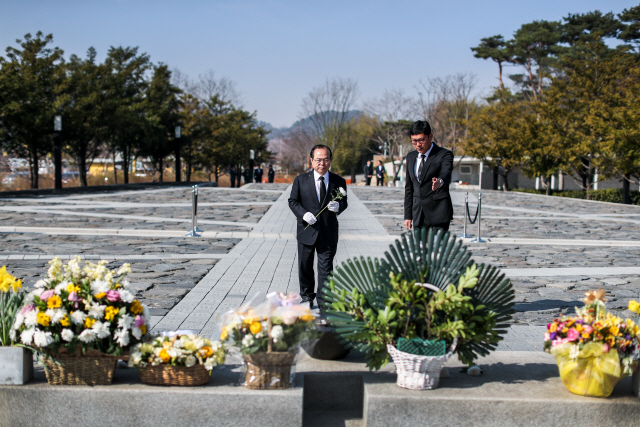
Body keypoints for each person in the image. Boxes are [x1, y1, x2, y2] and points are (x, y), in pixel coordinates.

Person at [288, 145, 348, 308]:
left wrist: (339, 207)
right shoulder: (301, 180)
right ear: (312, 160)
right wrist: (303, 214)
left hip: (328, 232)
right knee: (305, 265)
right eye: (318, 159)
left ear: (330, 160)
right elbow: (293, 201)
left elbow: (344, 201)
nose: (322, 163)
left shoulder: (339, 182)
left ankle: (324, 300)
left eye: (326, 159)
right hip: (307, 231)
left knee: (325, 268)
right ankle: (307, 296)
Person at [403, 120, 453, 232]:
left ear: (430, 136)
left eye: (421, 140)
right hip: (418, 214)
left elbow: (446, 172)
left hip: (438, 213)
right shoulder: (411, 157)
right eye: (414, 141)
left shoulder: (444, 154)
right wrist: (408, 215)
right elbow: (409, 188)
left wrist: (439, 181)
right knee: (420, 249)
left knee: (436, 248)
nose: (418, 144)